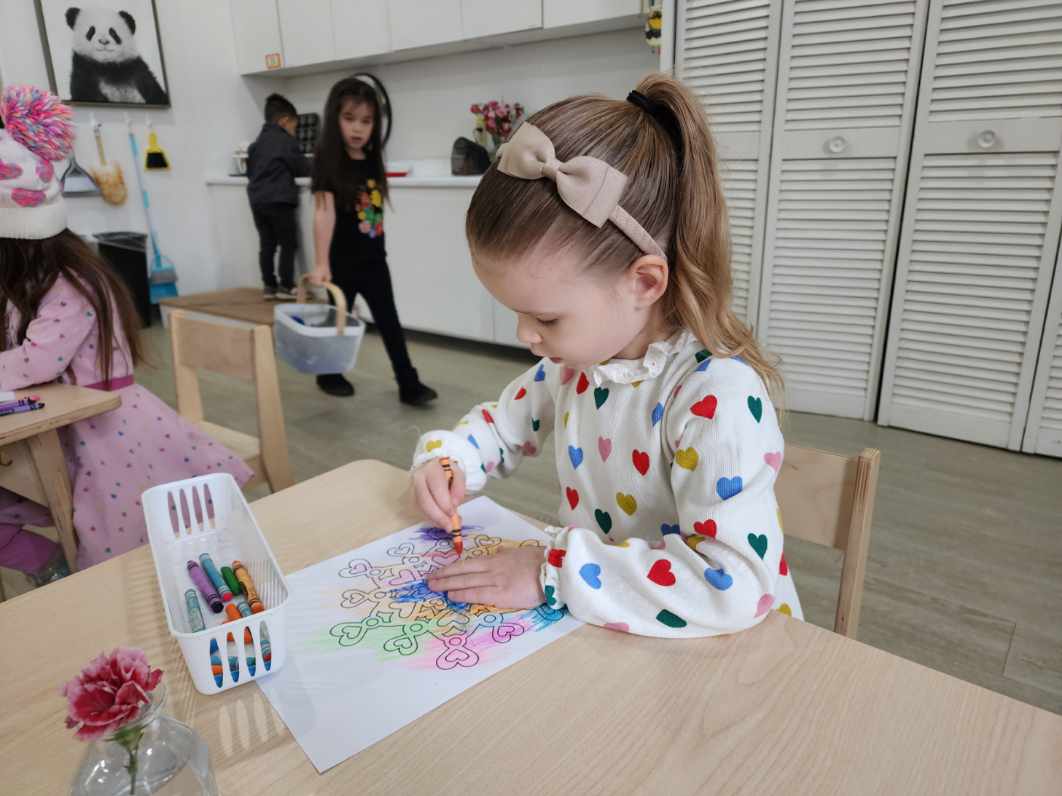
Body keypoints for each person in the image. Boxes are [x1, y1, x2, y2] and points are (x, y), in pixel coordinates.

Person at [411, 74, 802, 636]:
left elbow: (732, 586)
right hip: (609, 632)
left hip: (729, 654)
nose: (525, 334)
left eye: (546, 318)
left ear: (644, 282)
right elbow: (499, 428)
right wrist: (449, 460)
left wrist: (551, 572)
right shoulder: (575, 364)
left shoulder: (717, 394)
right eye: (517, 312)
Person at [0, 85, 253, 581]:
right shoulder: (26, 282)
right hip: (59, 428)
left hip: (106, 432)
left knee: (121, 558)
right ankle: (51, 565)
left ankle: (71, 578)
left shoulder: (72, 282)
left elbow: (38, 360)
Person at [310, 77, 436, 405]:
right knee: (337, 322)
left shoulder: (370, 159)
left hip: (375, 260)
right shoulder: (327, 162)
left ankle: (408, 383)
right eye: (349, 118)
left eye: (366, 121)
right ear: (335, 119)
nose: (358, 128)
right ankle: (328, 374)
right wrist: (321, 262)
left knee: (389, 321)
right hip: (341, 262)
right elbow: (323, 212)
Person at [247, 92, 310, 300]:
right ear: (284, 121)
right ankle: (286, 285)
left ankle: (269, 286)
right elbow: (302, 168)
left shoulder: (255, 145)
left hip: (257, 200)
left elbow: (250, 172)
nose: (294, 132)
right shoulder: (285, 141)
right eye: (294, 126)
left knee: (267, 244)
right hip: (279, 199)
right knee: (288, 243)